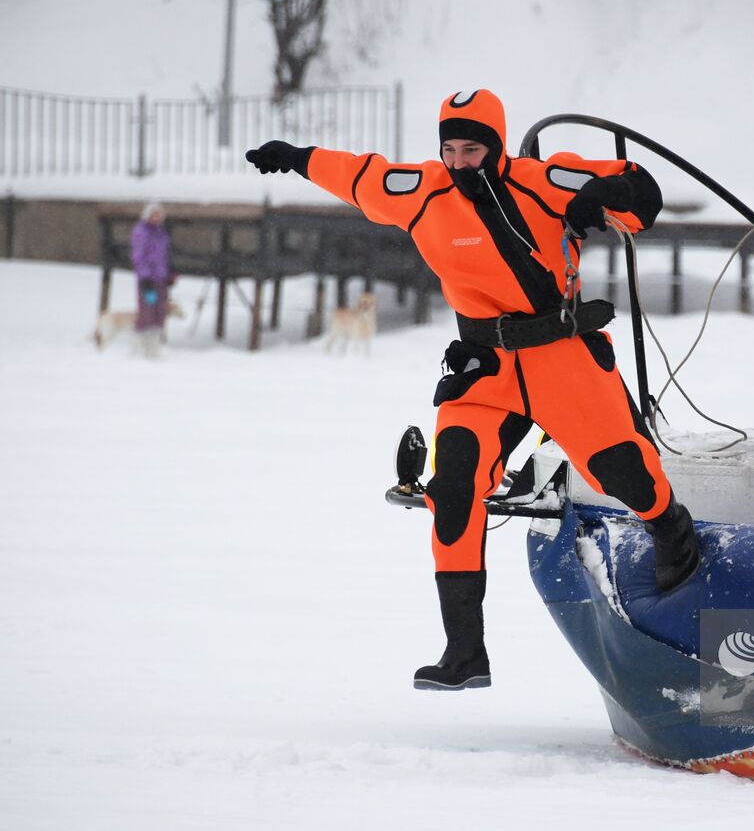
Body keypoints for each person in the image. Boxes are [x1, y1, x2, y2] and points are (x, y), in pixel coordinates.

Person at [246, 88, 700, 691]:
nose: (460, 162)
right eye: (450, 149)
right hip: (485, 366)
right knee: (453, 487)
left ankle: (673, 533)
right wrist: (297, 156)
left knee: (624, 474)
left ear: (498, 146)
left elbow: (640, 187)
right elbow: (360, 175)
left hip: (561, 355)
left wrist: (600, 198)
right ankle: (464, 653)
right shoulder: (422, 191)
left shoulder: (544, 179)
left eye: (473, 148)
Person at [130, 201, 173, 358]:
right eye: (153, 214)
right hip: (147, 279)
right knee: (146, 312)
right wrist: (144, 276)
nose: (156, 217)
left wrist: (168, 274)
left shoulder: (162, 233)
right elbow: (138, 256)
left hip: (160, 278)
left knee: (159, 313)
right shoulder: (141, 232)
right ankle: (137, 350)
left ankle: (154, 350)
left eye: (158, 214)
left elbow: (165, 256)